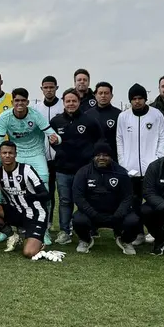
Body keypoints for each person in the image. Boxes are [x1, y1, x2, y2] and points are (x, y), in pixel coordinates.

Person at [0, 87, 61, 244]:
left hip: (36, 153)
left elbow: (53, 134)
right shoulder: (5, 116)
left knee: (43, 187)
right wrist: (0, 152)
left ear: (27, 102)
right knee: (2, 184)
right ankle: (7, 230)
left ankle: (43, 230)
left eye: (22, 100)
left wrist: (56, 139)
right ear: (12, 102)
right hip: (16, 154)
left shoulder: (35, 115)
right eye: (16, 100)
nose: (19, 103)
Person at [49, 88, 104, 245]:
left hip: (85, 170)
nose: (71, 104)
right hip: (62, 169)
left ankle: (87, 230)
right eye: (68, 101)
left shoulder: (90, 120)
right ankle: (65, 231)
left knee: (85, 201)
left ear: (79, 102)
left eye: (74, 101)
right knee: (65, 201)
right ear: (63, 103)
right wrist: (61, 151)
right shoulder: (56, 121)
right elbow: (51, 141)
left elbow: (99, 142)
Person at [117, 83, 164, 246]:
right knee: (134, 203)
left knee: (154, 203)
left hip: (152, 170)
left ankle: (155, 232)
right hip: (130, 170)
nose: (137, 101)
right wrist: (123, 163)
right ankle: (138, 233)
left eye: (140, 98)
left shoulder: (156, 115)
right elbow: (120, 140)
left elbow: (163, 138)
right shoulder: (123, 117)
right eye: (134, 99)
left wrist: (158, 161)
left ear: (145, 99)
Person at [0, 141, 48, 258]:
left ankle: (38, 241)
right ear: (0, 154)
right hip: (16, 211)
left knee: (29, 253)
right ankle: (12, 235)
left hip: (35, 214)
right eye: (4, 153)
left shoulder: (27, 170)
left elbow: (45, 194)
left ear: (15, 154)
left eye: (10, 153)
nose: (7, 155)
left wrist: (31, 197)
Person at [71, 143, 139, 255]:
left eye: (105, 155)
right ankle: (86, 239)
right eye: (98, 155)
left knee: (133, 220)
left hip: (115, 214)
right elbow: (78, 197)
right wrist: (93, 214)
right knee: (78, 220)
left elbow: (128, 197)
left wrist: (118, 214)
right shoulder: (83, 172)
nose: (101, 158)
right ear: (93, 156)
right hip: (92, 214)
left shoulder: (121, 172)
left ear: (111, 157)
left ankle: (125, 240)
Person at [33, 76, 63, 228]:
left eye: (52, 87)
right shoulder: (37, 108)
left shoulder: (64, 105)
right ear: (42, 89)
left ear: (56, 88)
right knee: (47, 192)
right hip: (43, 156)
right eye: (46, 87)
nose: (49, 90)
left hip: (62, 156)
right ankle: (48, 221)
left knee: (64, 194)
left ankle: (66, 225)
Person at [85, 82, 122, 162]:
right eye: (100, 93)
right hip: (93, 159)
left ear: (111, 96)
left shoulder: (119, 115)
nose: (103, 96)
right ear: (95, 95)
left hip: (113, 159)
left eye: (106, 93)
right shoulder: (87, 115)